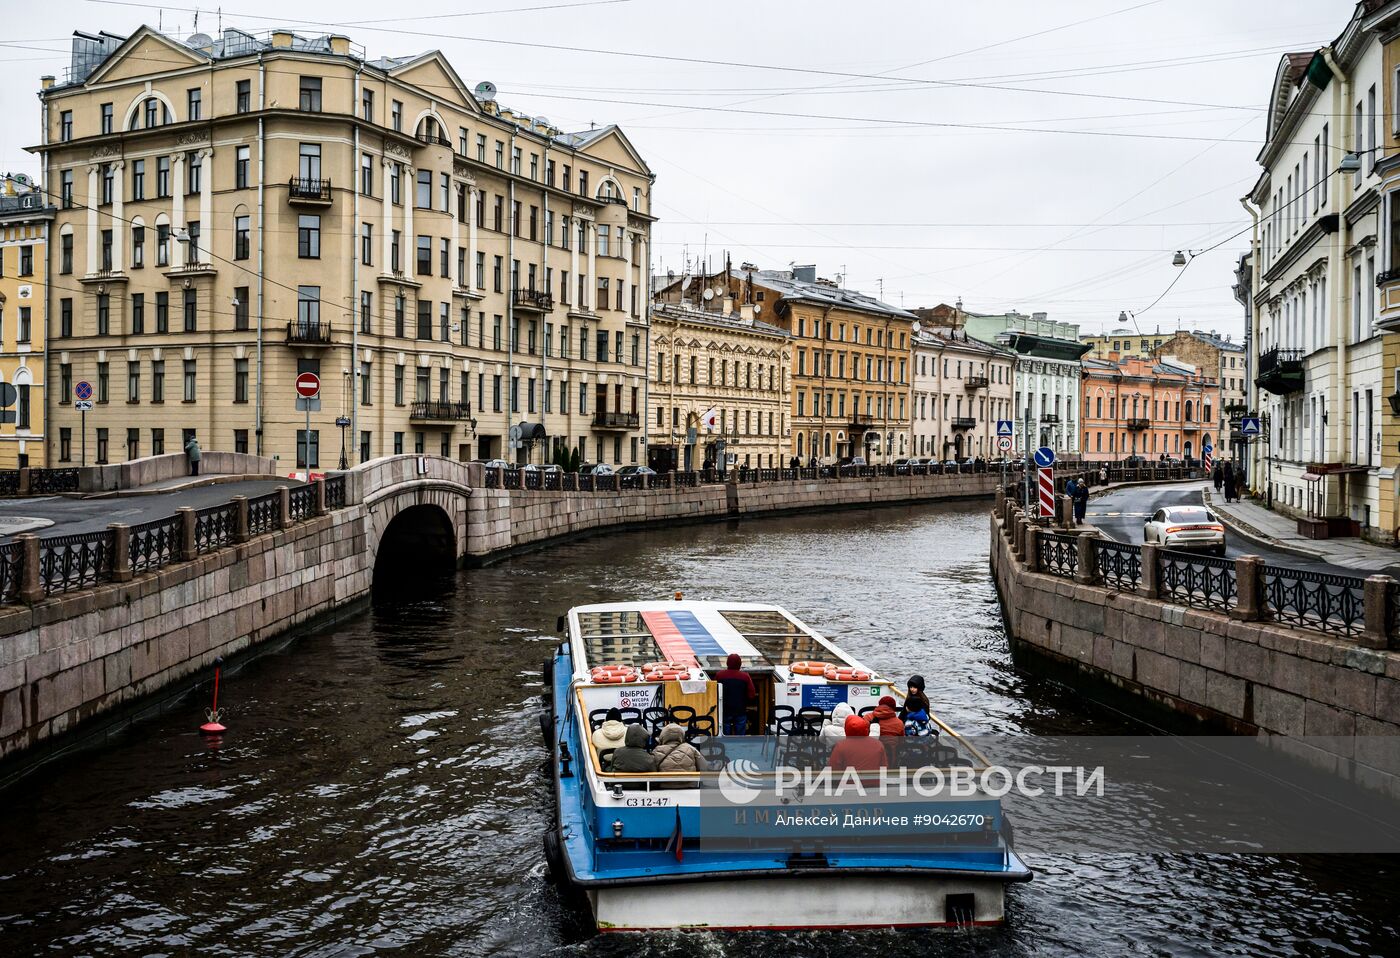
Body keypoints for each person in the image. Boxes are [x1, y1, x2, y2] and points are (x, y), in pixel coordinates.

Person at [714, 652, 757, 735]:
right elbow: (751, 695)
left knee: (724, 733)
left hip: (724, 710)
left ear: (727, 663)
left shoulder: (719, 675)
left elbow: (714, 692)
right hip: (740, 710)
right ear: (740, 664)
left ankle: (725, 742)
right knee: (740, 734)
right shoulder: (745, 676)